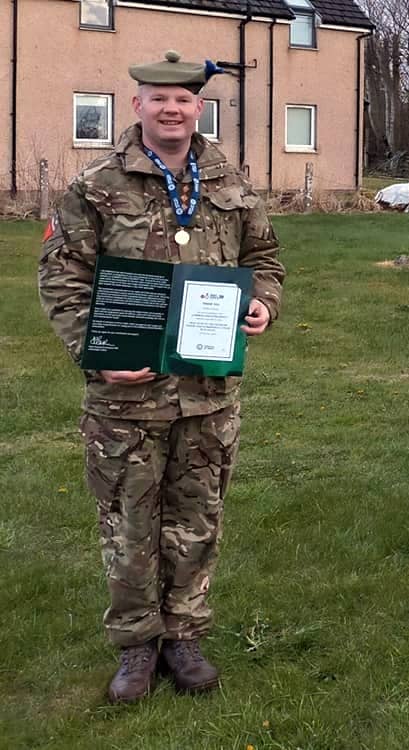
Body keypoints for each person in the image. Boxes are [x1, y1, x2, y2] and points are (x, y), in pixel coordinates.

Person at [38, 50, 285, 702]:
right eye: (160, 99)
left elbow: (263, 256)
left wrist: (262, 302)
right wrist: (95, 352)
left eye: (184, 99)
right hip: (126, 395)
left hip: (208, 394)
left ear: (197, 108)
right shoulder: (96, 186)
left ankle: (184, 635)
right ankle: (136, 648)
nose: (172, 108)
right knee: (128, 522)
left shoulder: (230, 180)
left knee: (198, 519)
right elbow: (62, 279)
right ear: (138, 106)